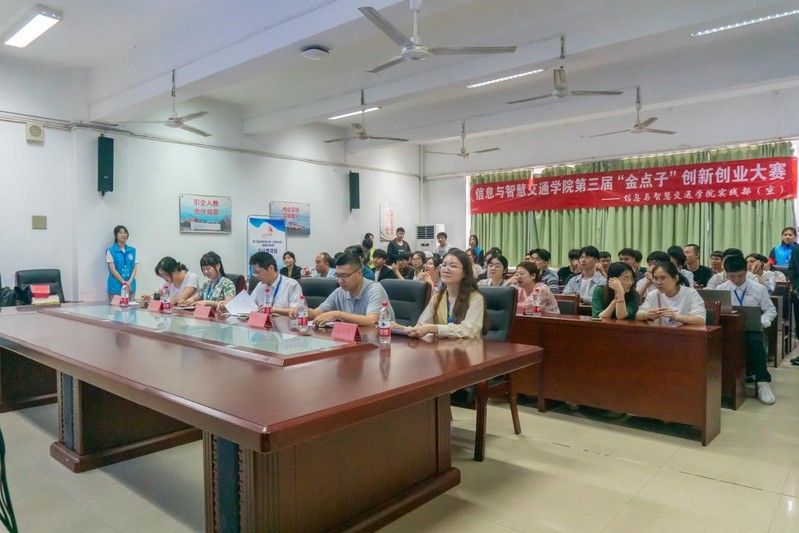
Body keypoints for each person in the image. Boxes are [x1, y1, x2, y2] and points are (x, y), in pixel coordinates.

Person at [717, 255, 776, 404]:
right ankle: (718, 380)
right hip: (728, 329)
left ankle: (762, 382)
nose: (737, 280)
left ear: (746, 271)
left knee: (754, 341)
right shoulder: (721, 289)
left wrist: (762, 322)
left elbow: (771, 310)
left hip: (750, 329)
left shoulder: (759, 289)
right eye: (732, 276)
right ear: (726, 274)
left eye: (740, 275)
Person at [289, 252, 394, 327]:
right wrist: (303, 310)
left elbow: (372, 321)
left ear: (359, 273)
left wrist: (337, 314)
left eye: (344, 275)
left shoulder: (375, 289)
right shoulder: (340, 292)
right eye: (337, 275)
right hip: (354, 341)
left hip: (382, 342)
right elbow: (317, 313)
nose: (340, 280)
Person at [407, 249, 486, 339]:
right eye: (444, 265)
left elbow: (468, 330)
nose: (446, 269)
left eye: (453, 266)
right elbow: (421, 325)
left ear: (464, 272)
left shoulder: (476, 298)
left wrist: (433, 328)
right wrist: (401, 328)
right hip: (441, 347)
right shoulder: (437, 297)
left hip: (467, 347)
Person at [635, 262, 706, 325]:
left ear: (675, 278)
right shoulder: (654, 294)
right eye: (656, 278)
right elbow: (638, 314)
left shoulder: (691, 293)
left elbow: (701, 320)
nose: (658, 282)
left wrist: (677, 317)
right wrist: (647, 314)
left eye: (663, 278)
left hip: (685, 334)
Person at [106, 225, 138, 302]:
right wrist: (124, 283)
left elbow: (135, 268)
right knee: (115, 308)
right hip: (116, 287)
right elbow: (112, 269)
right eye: (120, 233)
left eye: (125, 233)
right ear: (116, 235)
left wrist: (129, 282)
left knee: (131, 308)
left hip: (130, 286)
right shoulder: (110, 251)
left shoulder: (132, 250)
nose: (123, 235)